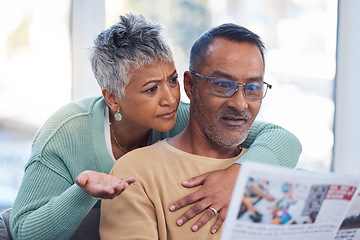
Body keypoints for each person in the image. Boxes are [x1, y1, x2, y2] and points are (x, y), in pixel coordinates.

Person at [9, 13, 301, 240]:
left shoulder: (184, 116)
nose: (170, 98)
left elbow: (281, 138)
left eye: (172, 80)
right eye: (151, 89)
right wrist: (84, 192)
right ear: (113, 97)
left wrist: (239, 176)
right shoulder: (66, 133)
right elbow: (23, 231)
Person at [99, 23, 301, 239]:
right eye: (223, 84)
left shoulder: (270, 169)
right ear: (189, 85)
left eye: (253, 88)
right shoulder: (135, 172)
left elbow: (287, 140)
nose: (241, 104)